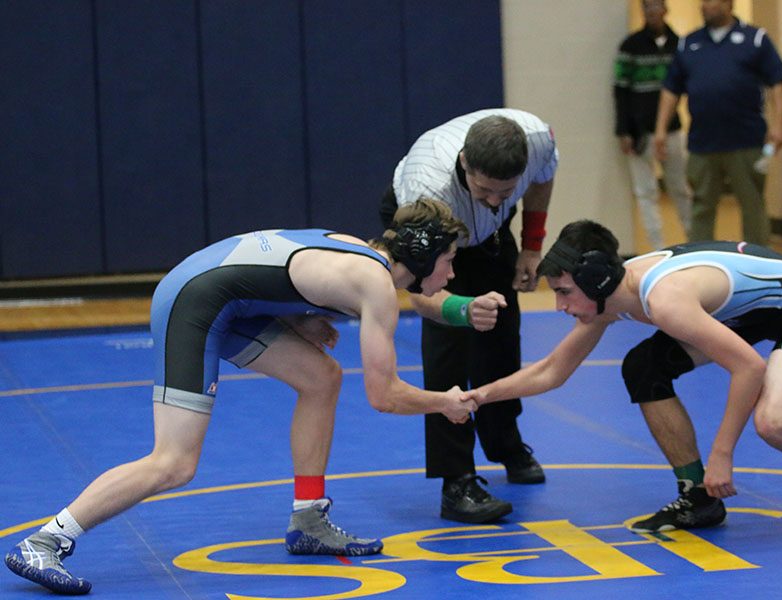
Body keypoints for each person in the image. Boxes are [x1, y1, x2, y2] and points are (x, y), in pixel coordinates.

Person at [5, 199, 480, 595]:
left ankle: (309, 520)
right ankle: (46, 541)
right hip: (196, 301)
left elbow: (270, 271)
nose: (452, 271)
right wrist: (444, 402)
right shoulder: (374, 283)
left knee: (321, 378)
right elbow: (383, 395)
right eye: (450, 259)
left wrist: (299, 319)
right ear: (422, 256)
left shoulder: (360, 254)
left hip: (225, 297)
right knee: (174, 462)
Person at [462, 219, 782, 542]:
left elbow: (749, 368)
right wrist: (481, 395)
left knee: (774, 422)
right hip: (745, 305)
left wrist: (722, 455)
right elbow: (552, 370)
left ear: (595, 282)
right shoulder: (609, 296)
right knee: (643, 368)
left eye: (563, 292)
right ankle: (698, 498)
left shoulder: (664, 300)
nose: (559, 306)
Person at [379, 109, 559, 524]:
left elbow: (543, 177)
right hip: (433, 229)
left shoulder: (537, 142)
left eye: (505, 191)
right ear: (465, 164)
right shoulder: (427, 188)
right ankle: (456, 479)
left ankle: (504, 440)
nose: (497, 200)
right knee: (449, 343)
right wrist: (460, 307)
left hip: (489, 234)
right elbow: (419, 294)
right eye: (486, 190)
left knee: (502, 332)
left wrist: (532, 245)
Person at [654, 0, 782, 247]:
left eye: (710, 1)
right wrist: (661, 129)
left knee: (752, 203)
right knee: (701, 205)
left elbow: (776, 83)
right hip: (703, 141)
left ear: (728, 4)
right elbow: (671, 90)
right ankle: (699, 259)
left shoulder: (755, 39)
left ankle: (758, 262)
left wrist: (779, 124)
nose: (704, 6)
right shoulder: (689, 43)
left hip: (746, 139)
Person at [614, 0, 692, 250]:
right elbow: (620, 89)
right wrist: (623, 130)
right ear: (642, 12)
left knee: (680, 188)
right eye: (647, 7)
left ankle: (695, 240)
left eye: (657, 7)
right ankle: (658, 247)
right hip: (639, 133)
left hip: (672, 130)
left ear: (665, 10)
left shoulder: (679, 44)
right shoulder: (630, 46)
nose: (653, 12)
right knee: (646, 192)